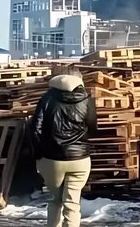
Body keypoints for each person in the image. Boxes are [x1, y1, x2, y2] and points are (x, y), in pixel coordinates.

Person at [29, 70, 98, 227]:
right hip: (80, 159)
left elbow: (35, 128)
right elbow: (93, 128)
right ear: (79, 82)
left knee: (55, 200)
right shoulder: (87, 99)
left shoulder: (47, 98)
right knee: (72, 203)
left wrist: (39, 153)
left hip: (52, 160)